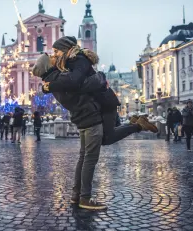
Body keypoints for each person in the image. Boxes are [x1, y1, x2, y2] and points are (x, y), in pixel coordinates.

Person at [32, 36, 157, 210]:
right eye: (52, 54)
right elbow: (78, 84)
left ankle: (78, 196)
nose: (55, 55)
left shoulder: (72, 65)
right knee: (93, 153)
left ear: (66, 49)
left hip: (101, 106)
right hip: (92, 115)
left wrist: (48, 86)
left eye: (56, 51)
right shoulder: (61, 76)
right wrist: (99, 78)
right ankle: (84, 197)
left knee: (88, 154)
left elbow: (76, 83)